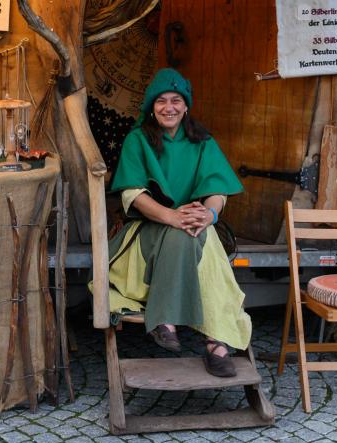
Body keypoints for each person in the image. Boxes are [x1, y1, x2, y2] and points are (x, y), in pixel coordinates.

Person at [99, 68, 251, 377]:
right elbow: (132, 193)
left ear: (186, 105)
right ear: (151, 107)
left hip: (194, 227)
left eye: (176, 100)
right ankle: (218, 342)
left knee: (194, 235)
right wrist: (171, 216)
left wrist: (208, 215)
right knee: (193, 239)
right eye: (162, 101)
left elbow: (217, 189)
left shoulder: (202, 141)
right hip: (146, 230)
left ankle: (165, 321)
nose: (169, 107)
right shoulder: (137, 140)